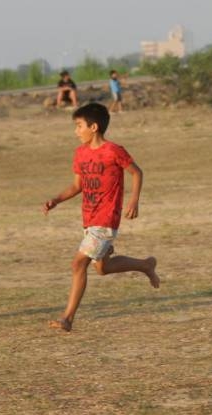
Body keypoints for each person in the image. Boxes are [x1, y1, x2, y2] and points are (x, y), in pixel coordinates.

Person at [42, 103, 160, 332]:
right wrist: (56, 200)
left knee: (78, 264)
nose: (76, 131)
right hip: (89, 218)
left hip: (106, 219)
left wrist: (134, 201)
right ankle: (146, 264)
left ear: (93, 127)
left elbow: (137, 172)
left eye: (79, 126)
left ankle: (67, 318)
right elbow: (77, 185)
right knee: (102, 269)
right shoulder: (80, 154)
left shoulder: (114, 151)